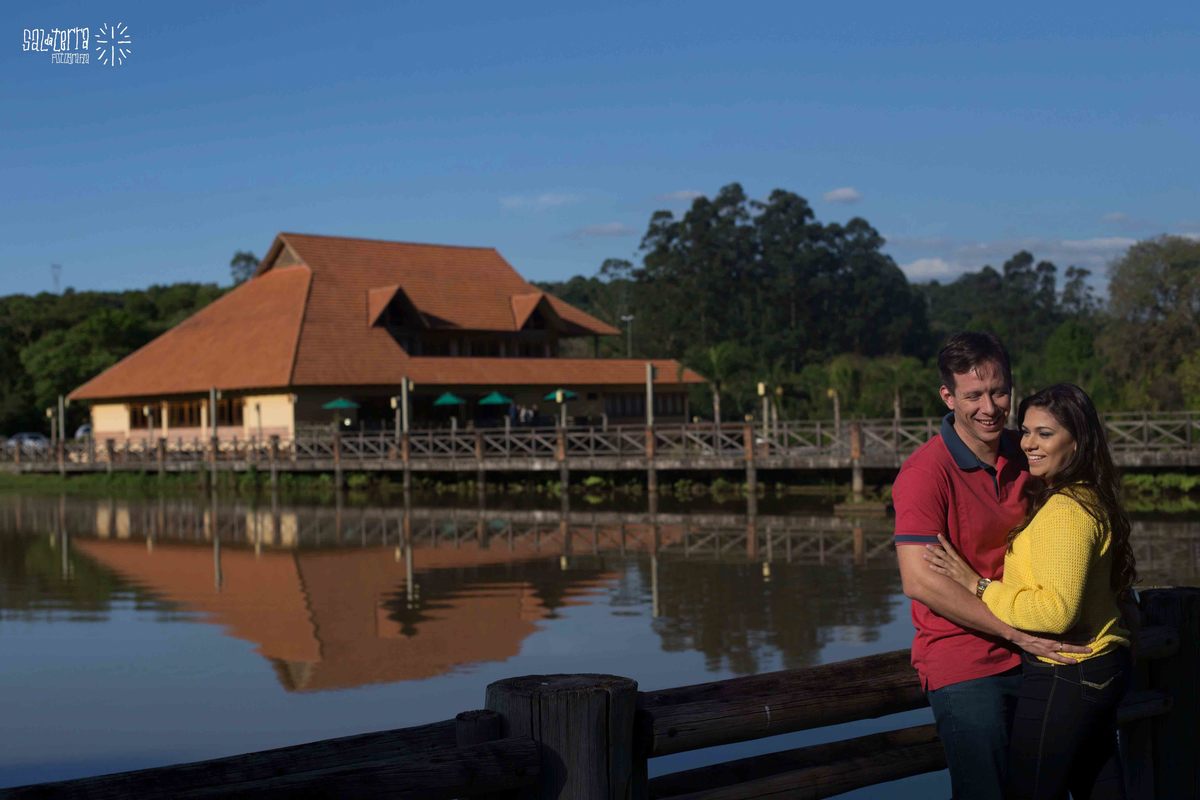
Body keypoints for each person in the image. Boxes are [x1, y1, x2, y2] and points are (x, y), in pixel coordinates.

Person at [893, 332, 1088, 800]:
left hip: (1038, 644)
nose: (990, 407)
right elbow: (919, 580)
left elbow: (1084, 517)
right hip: (965, 660)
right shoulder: (926, 473)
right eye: (973, 395)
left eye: (999, 391)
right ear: (948, 397)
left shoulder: (1030, 454)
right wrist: (1014, 632)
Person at [925, 383, 1136, 799]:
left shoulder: (1065, 511)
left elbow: (1055, 614)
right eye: (1025, 431)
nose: (1029, 444)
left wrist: (980, 585)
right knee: (1098, 783)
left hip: (1066, 672)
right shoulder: (1086, 497)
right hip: (1098, 668)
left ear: (1076, 442)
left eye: (1045, 433)